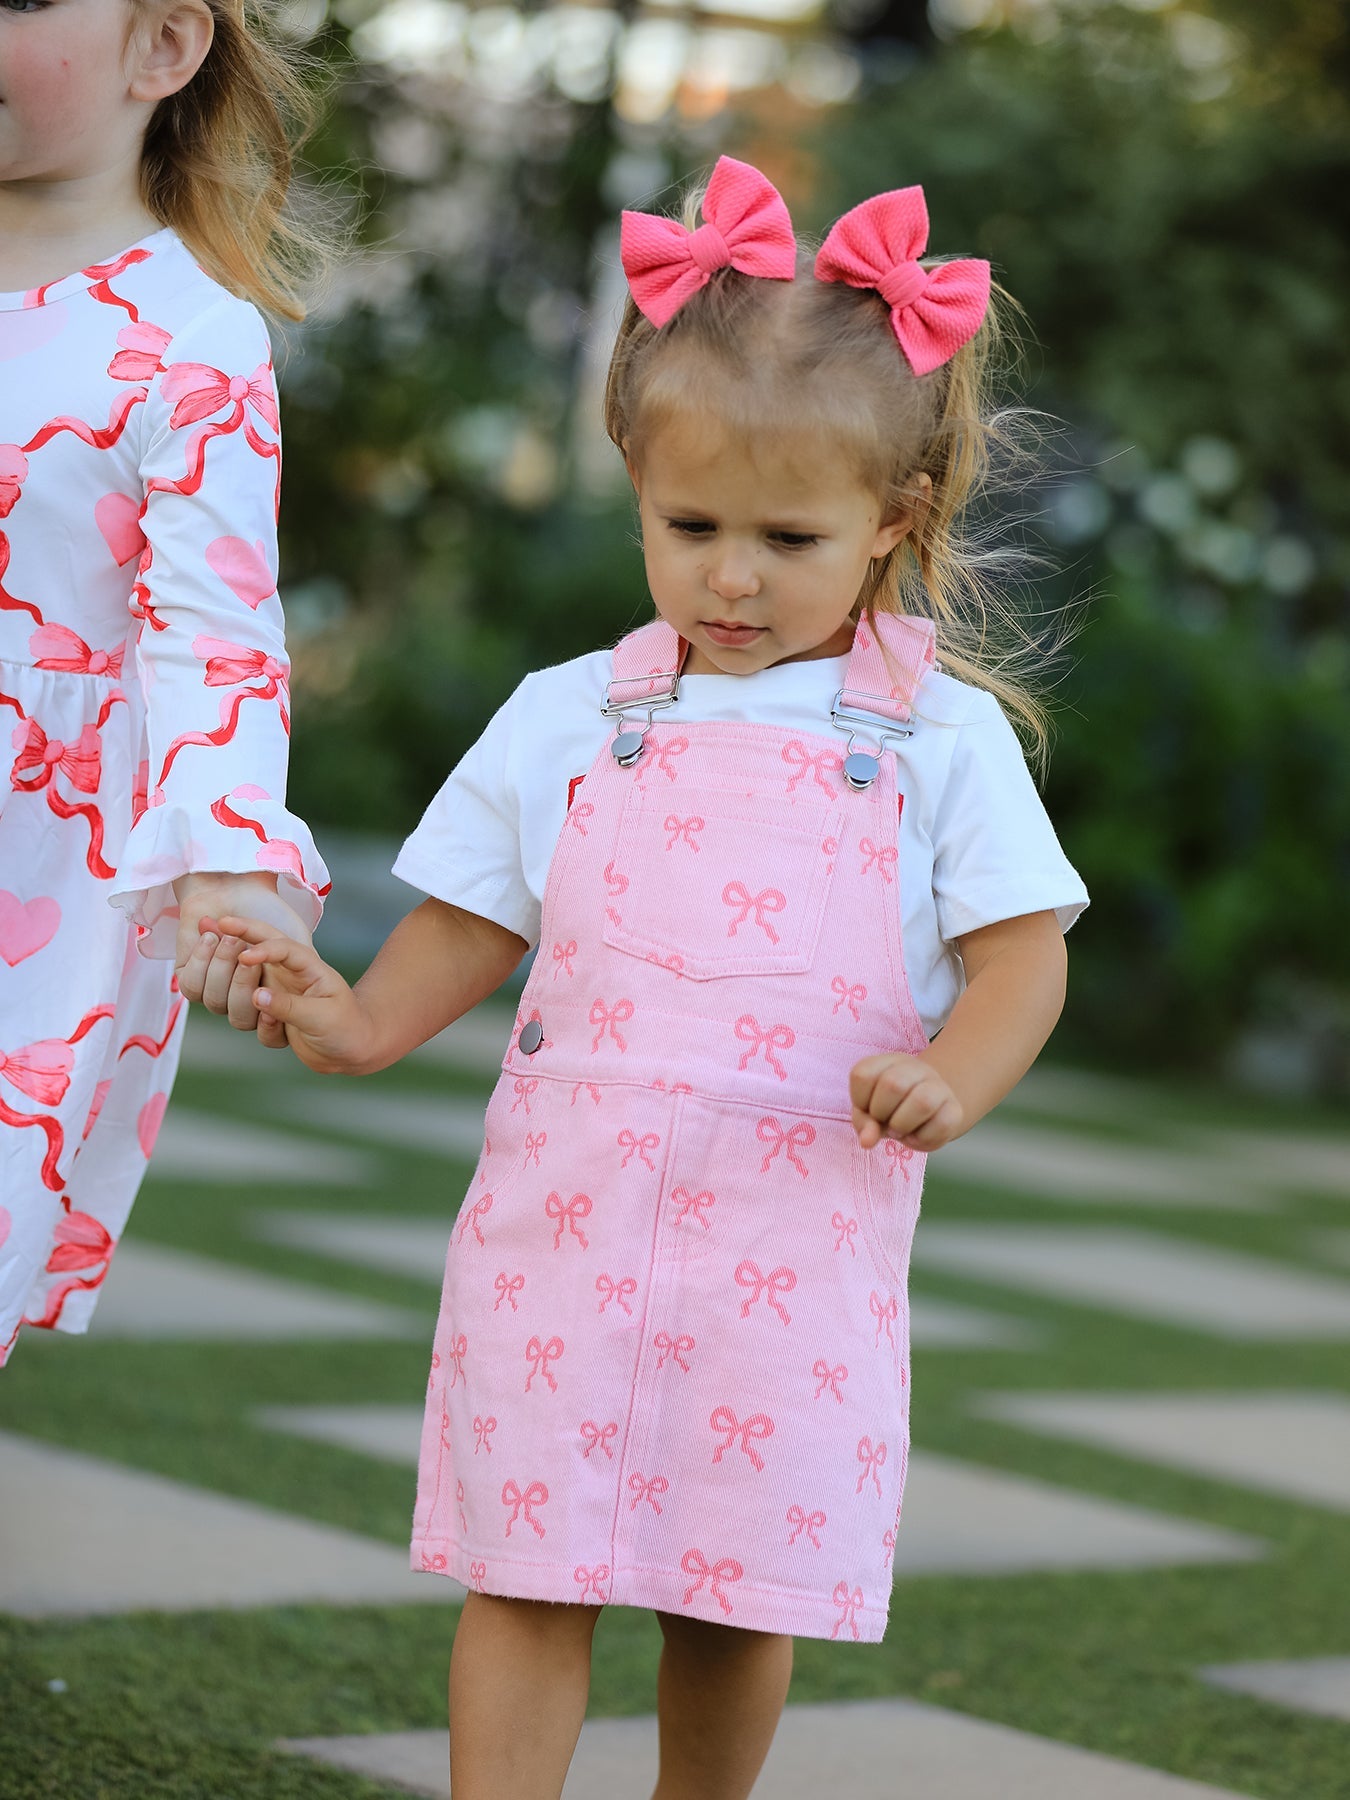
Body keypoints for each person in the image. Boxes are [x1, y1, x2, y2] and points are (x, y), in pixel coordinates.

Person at [215, 157, 1088, 1800]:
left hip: (788, 1260)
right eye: (689, 529)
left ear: (891, 523)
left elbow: (1020, 961)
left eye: (786, 538)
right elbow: (476, 917)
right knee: (525, 1570)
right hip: (569, 1235)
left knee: (727, 1594)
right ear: (635, 488)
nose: (729, 578)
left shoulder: (940, 743)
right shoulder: (569, 713)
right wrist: (357, 1020)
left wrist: (954, 1073)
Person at [0, 0, 329, 1366]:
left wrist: (230, 862)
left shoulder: (189, 340)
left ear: (163, 49)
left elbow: (212, 631)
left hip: (32, 877)